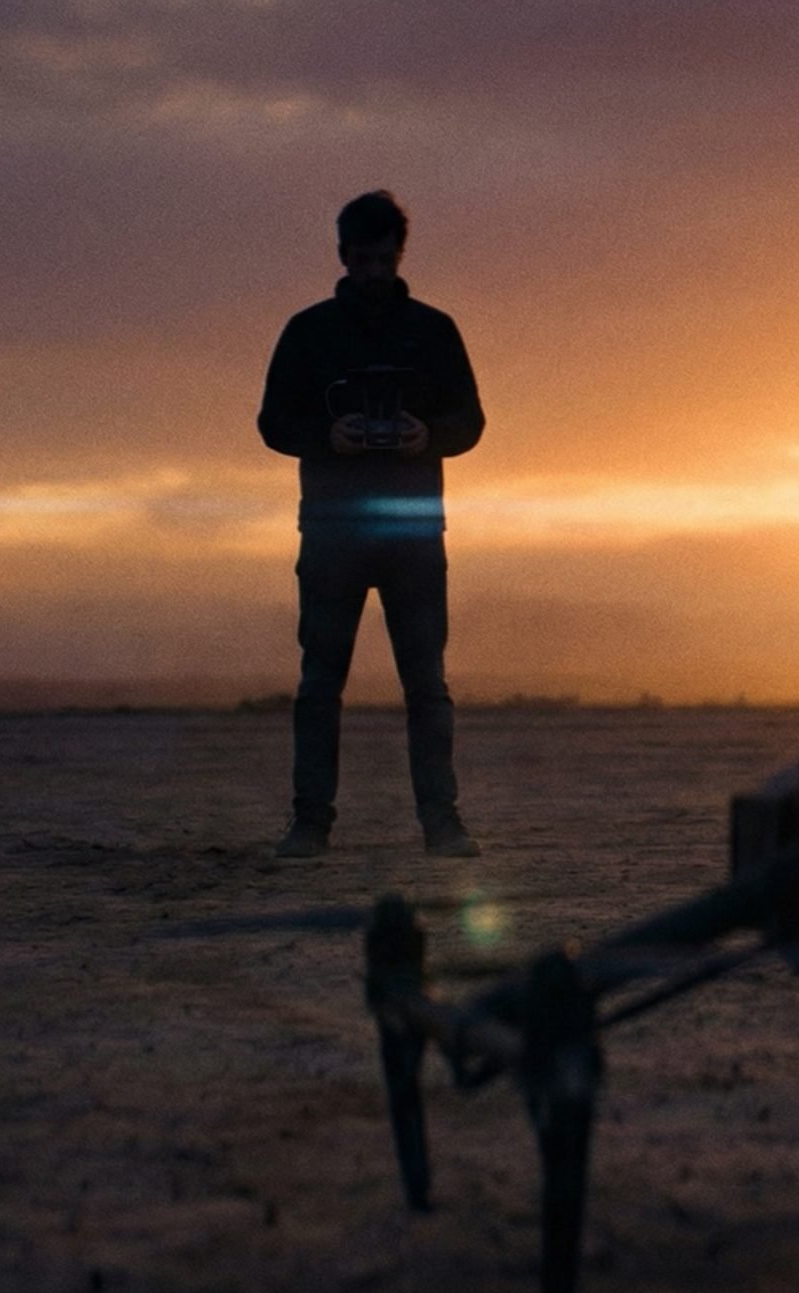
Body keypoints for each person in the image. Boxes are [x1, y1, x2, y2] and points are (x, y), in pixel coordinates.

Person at [257, 190, 484, 857]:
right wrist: (331, 436)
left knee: (426, 685)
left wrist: (425, 436)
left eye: (384, 259)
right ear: (343, 256)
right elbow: (272, 423)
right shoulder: (308, 333)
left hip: (410, 535)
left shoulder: (435, 331)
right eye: (364, 260)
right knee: (321, 683)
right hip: (334, 533)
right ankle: (310, 823)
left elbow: (471, 423)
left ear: (399, 254)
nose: (375, 272)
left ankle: (441, 822)